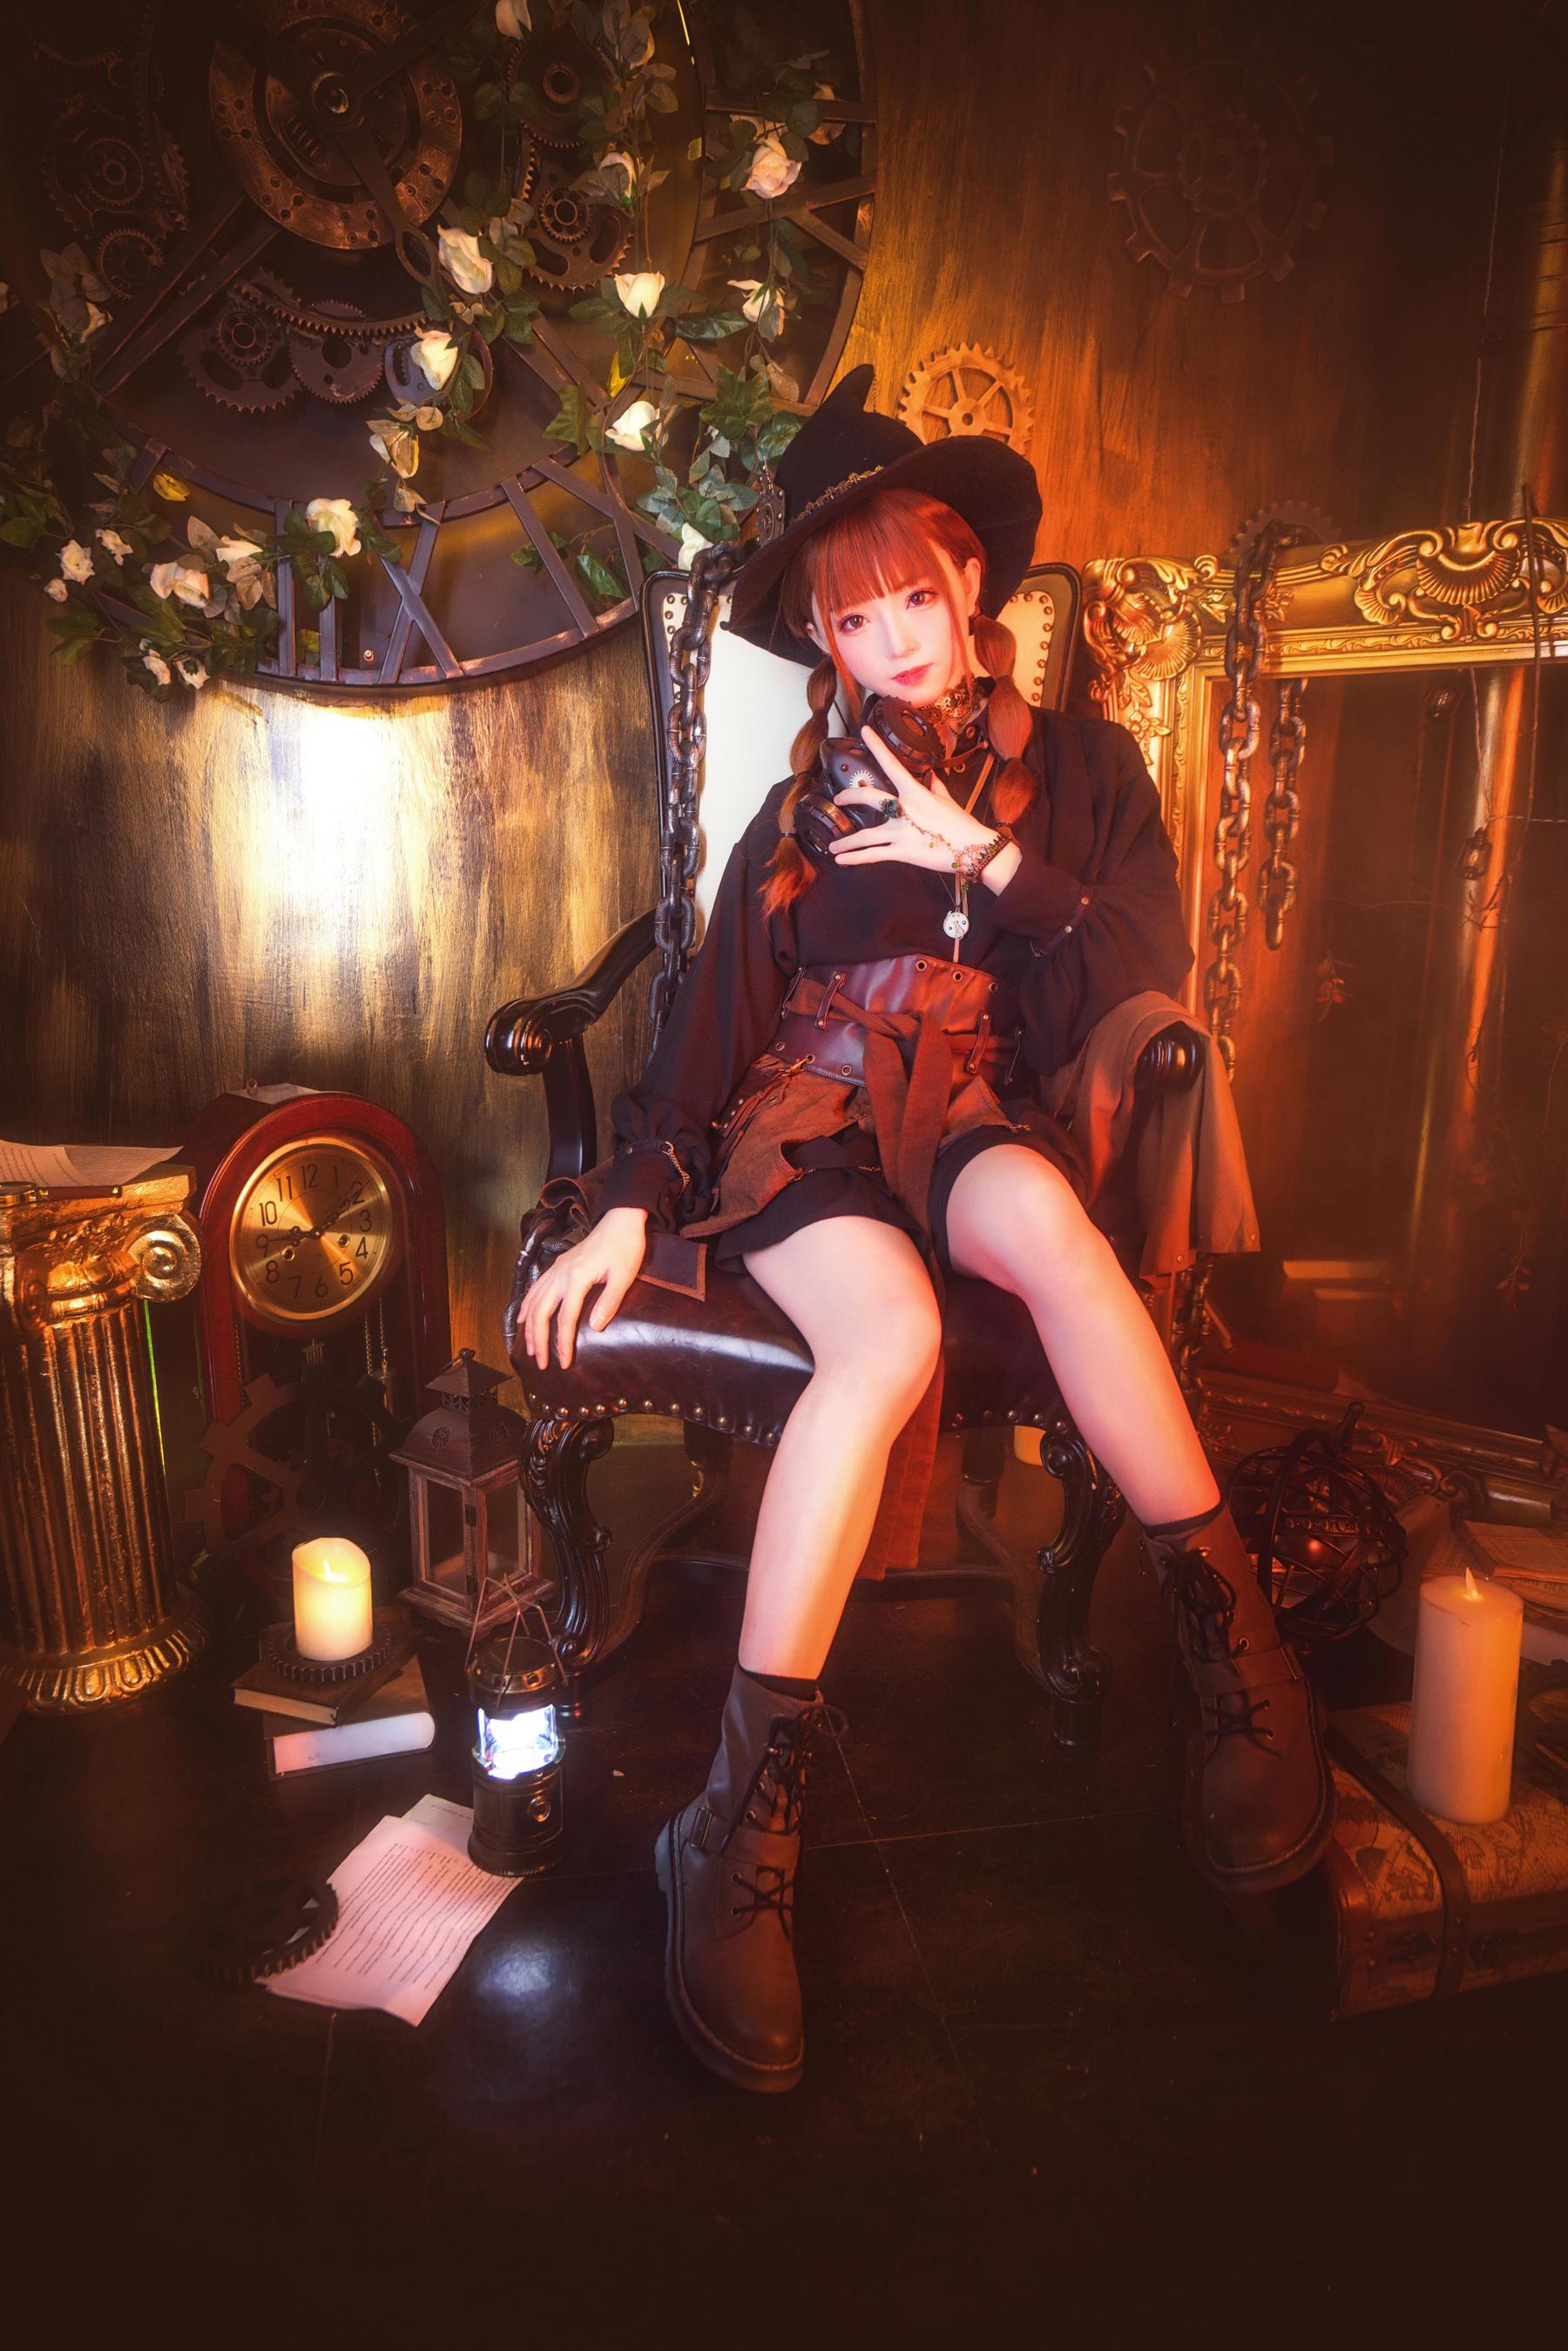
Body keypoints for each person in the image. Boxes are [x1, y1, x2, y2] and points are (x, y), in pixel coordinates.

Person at [517, 367, 1333, 2095]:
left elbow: (1145, 968)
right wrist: (624, 1204)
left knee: (1048, 1224)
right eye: (852, 615)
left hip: (971, 1111)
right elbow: (709, 1039)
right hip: (811, 1124)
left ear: (970, 581)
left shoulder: (1086, 771)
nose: (890, 638)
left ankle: (1242, 1670)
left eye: (913, 594)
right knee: (883, 1339)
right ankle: (732, 1828)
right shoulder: (796, 817)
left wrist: (988, 860)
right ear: (822, 637)